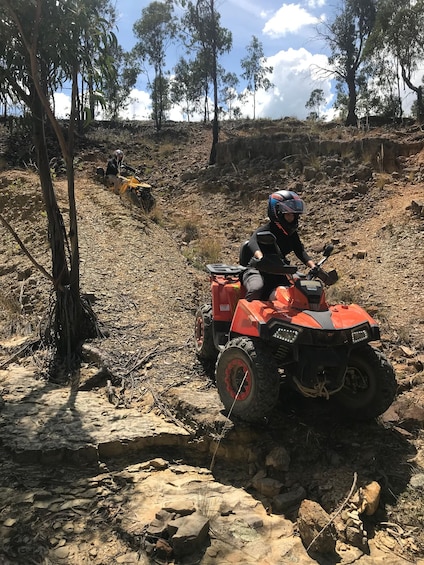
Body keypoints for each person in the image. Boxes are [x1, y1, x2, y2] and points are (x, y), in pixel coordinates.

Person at [242, 190, 316, 301]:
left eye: (294, 215)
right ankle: (245, 316)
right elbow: (252, 243)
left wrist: (313, 266)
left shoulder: (292, 234)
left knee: (301, 288)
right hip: (257, 269)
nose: (292, 218)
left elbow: (300, 251)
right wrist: (261, 257)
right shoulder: (266, 230)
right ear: (277, 213)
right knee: (256, 289)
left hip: (280, 270)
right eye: (289, 214)